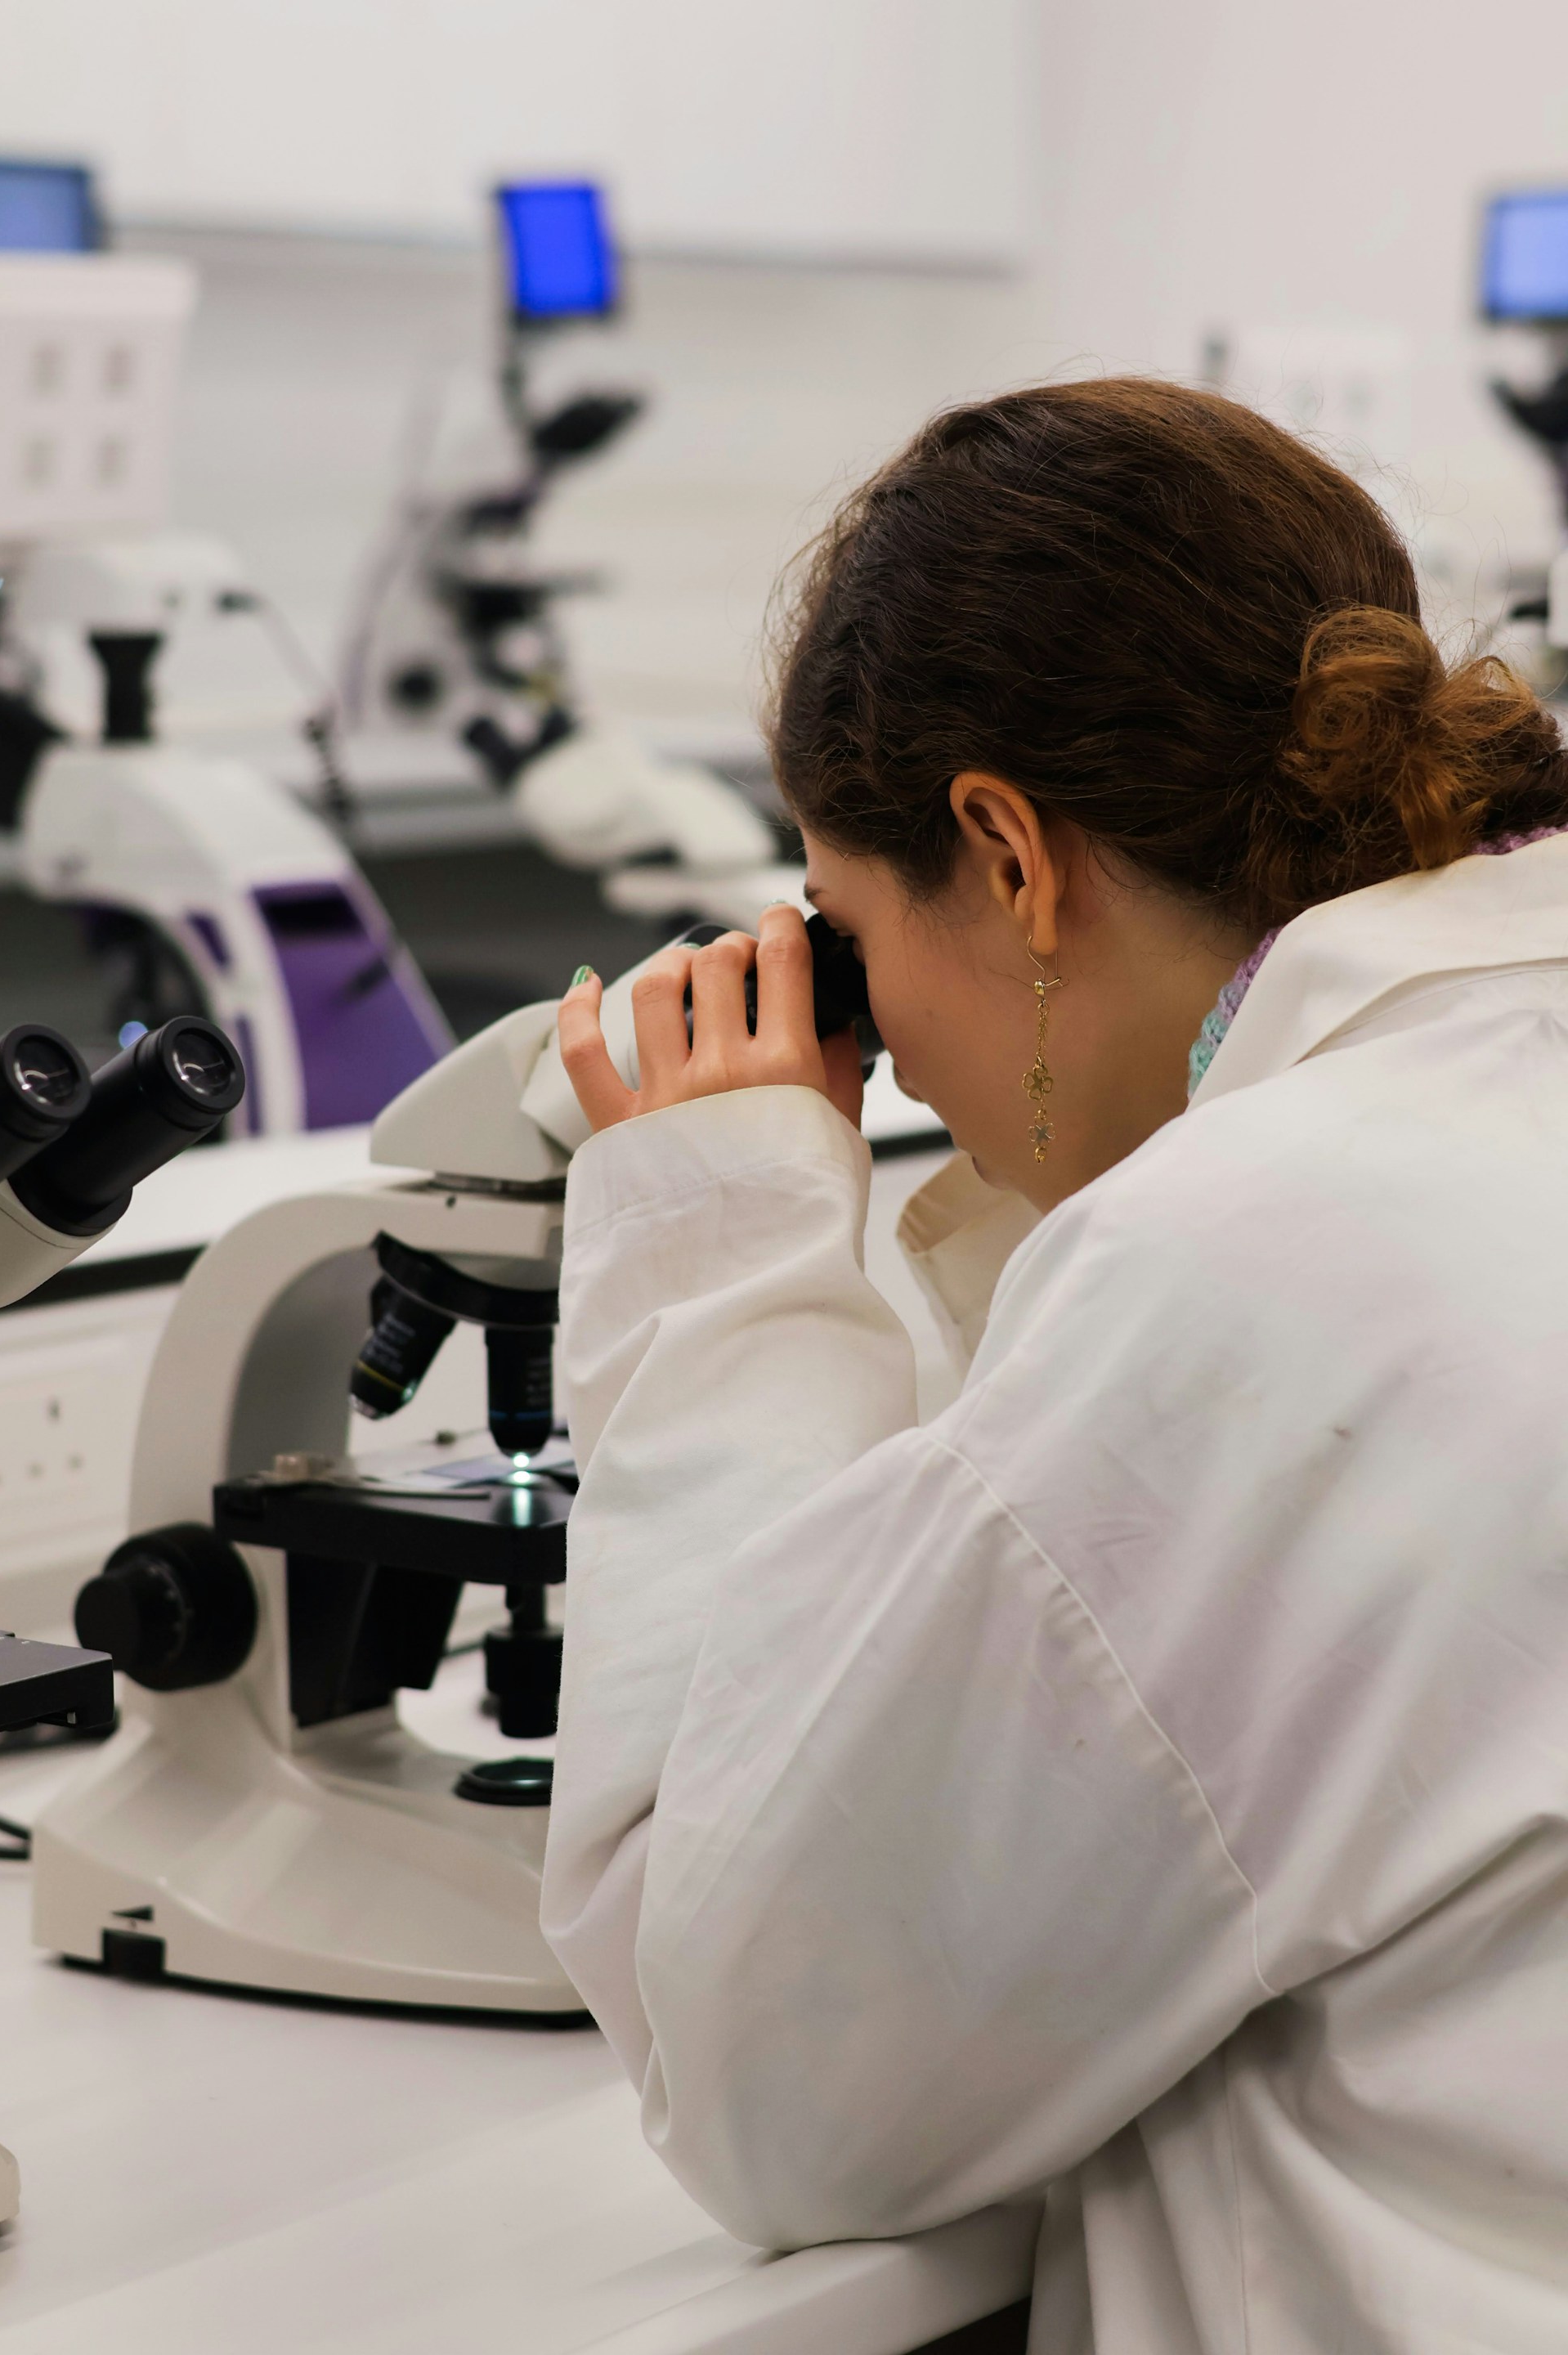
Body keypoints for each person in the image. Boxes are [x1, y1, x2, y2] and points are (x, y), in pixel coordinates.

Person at [540, 379, 1568, 2353]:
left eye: (847, 932)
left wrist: (723, 1257)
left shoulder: (1258, 1265)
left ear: (1007, 852)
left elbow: (770, 2072)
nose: (893, 1056)